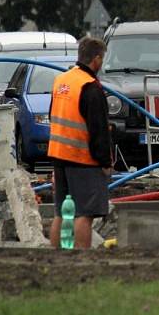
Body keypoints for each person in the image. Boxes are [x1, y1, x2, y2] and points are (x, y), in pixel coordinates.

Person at [47, 36, 114, 249]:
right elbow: (99, 130)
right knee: (84, 214)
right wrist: (105, 162)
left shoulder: (62, 81)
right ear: (95, 59)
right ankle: (82, 259)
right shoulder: (90, 87)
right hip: (83, 159)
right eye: (101, 58)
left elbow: (52, 116)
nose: (102, 63)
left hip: (59, 156)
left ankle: (54, 254)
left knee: (60, 212)